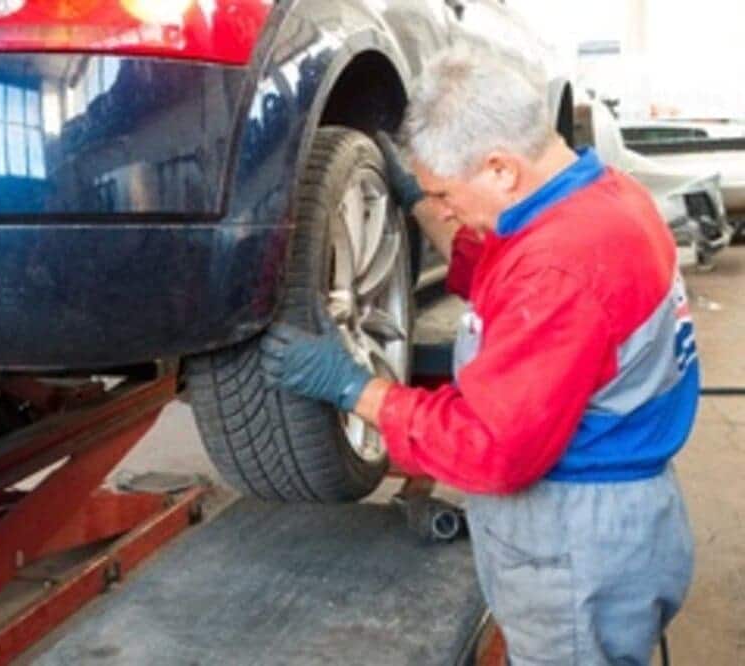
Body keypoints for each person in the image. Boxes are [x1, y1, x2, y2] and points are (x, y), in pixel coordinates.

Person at [260, 49, 696, 666]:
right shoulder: (603, 197)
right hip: (620, 516)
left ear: (499, 169)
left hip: (577, 541)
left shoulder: (561, 267)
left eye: (443, 192)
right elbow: (504, 269)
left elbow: (491, 447)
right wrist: (416, 200)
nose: (442, 208)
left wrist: (356, 389)